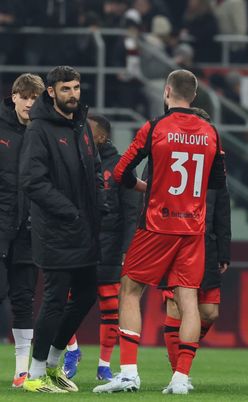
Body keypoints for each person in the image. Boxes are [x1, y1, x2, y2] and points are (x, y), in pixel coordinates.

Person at [93, 69, 226, 394]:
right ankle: (180, 378)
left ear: (167, 91)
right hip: (192, 229)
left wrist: (146, 186)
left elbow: (121, 171)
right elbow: (218, 184)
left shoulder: (155, 128)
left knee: (130, 289)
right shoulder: (210, 132)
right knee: (189, 301)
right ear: (193, 96)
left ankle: (128, 373)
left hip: (156, 224)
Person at [19, 66, 102, 393]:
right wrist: (69, 211)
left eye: (76, 88)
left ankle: (53, 365)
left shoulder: (80, 124)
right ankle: (34, 374)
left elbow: (93, 166)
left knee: (85, 295)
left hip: (83, 229)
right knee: (54, 299)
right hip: (55, 229)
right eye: (65, 89)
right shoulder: (39, 130)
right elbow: (32, 181)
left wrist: (100, 199)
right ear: (50, 92)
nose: (73, 95)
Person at [161, 107, 232, 376]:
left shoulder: (215, 163)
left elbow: (222, 207)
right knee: (177, 305)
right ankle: (178, 371)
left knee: (209, 312)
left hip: (207, 243)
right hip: (175, 239)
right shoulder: (167, 153)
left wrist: (224, 249)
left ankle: (183, 355)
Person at [84, 114, 140, 381]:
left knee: (109, 307)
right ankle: (70, 351)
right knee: (63, 301)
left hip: (109, 246)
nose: (83, 133)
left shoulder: (121, 166)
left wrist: (127, 250)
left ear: (102, 137)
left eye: (89, 131)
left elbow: (131, 212)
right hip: (79, 243)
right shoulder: (77, 159)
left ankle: (104, 365)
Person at [0, 73, 45, 389]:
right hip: (1, 226)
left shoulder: (46, 132)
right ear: (14, 96)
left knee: (24, 300)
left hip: (30, 231)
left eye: (35, 98)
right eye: (25, 96)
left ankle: (21, 371)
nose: (29, 103)